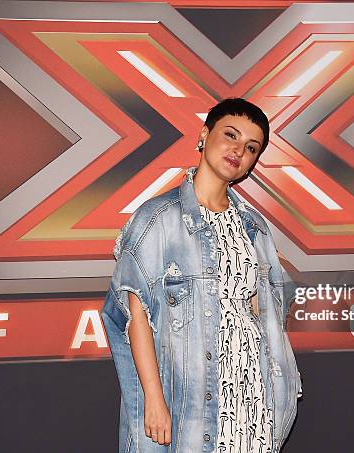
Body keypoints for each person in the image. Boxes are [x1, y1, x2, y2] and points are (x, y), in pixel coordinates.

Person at [101, 98, 302, 453]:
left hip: (251, 392)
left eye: (251, 147)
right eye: (230, 135)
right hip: (191, 396)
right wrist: (153, 398)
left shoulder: (253, 227)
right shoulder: (157, 219)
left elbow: (263, 315)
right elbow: (136, 316)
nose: (238, 150)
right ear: (204, 134)